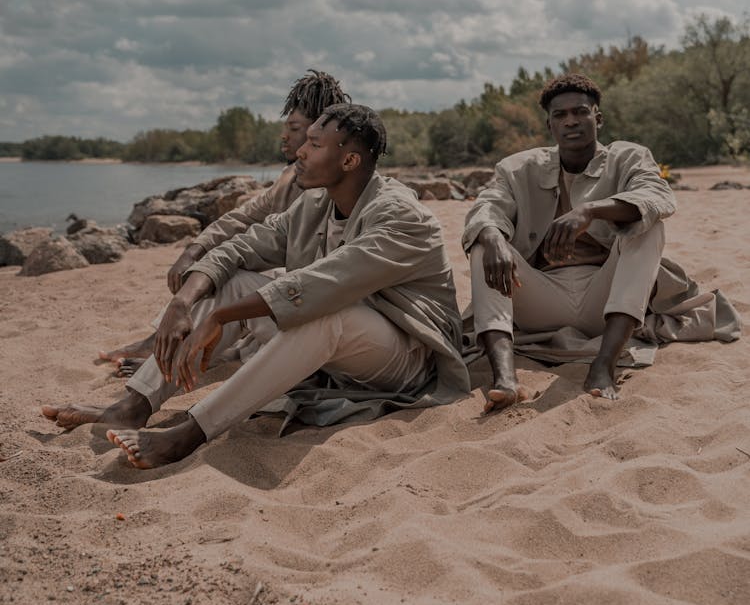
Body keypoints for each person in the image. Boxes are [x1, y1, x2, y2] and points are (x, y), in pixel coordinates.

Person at [43, 104, 470, 467]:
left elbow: (324, 283)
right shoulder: (315, 203)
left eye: (315, 145)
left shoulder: (400, 216)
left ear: (350, 161)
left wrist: (222, 318)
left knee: (324, 313)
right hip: (337, 352)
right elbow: (241, 247)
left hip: (407, 359)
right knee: (230, 282)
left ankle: (191, 431)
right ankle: (133, 407)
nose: (300, 151)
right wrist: (184, 302)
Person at [463, 73, 741, 412]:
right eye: (560, 116)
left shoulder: (630, 158)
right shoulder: (517, 168)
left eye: (580, 112)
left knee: (647, 227)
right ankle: (505, 379)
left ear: (598, 117)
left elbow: (657, 196)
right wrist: (491, 235)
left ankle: (604, 365)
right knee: (485, 242)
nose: (571, 122)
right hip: (539, 298)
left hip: (607, 299)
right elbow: (487, 205)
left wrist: (590, 211)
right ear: (550, 125)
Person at [99, 69, 349, 373]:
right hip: (297, 305)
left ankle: (170, 352)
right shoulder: (290, 178)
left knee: (230, 276)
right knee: (221, 266)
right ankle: (164, 344)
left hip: (318, 316)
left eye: (295, 128)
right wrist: (194, 249)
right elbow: (242, 218)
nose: (284, 136)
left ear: (322, 132)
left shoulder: (333, 187)